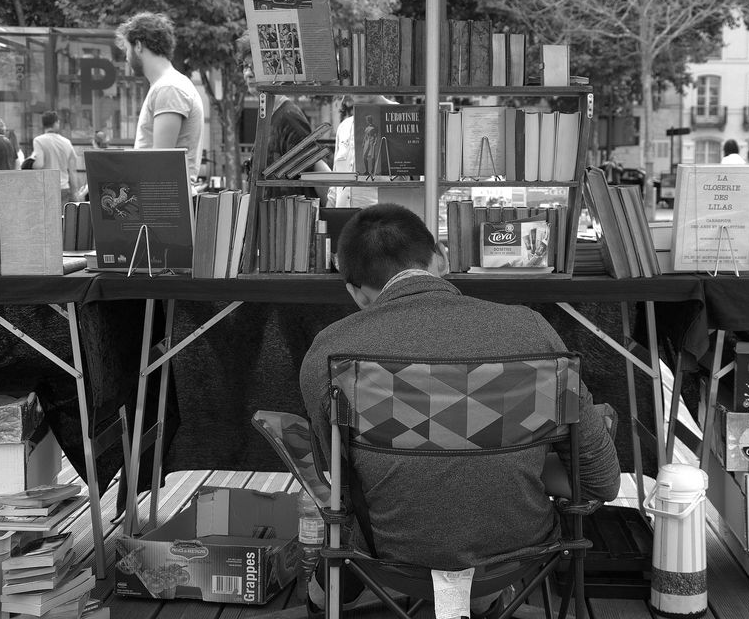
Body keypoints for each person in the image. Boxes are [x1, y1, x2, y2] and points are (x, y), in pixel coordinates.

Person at [299, 203, 621, 613]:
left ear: (355, 292)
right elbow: (603, 481)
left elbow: (341, 475)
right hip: (517, 553)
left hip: (387, 557)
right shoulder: (531, 330)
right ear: (442, 259)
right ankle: (483, 598)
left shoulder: (330, 350)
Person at [235, 35, 330, 201]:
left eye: (254, 67)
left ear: (274, 70)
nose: (248, 73)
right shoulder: (266, 114)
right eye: (245, 66)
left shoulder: (289, 117)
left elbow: (318, 173)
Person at [116, 12, 204, 182]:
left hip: (163, 203)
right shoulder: (168, 86)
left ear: (139, 46)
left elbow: (158, 163)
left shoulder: (169, 88)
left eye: (127, 48)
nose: (126, 57)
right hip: (164, 201)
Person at [329, 93, 395, 208]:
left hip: (379, 220)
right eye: (354, 79)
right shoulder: (344, 126)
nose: (359, 85)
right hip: (343, 220)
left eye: (364, 78)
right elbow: (335, 187)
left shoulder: (396, 118)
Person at [30, 110, 83, 208]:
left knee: (48, 219)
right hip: (63, 187)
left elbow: (39, 165)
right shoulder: (67, 142)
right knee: (62, 219)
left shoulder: (38, 141)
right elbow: (72, 171)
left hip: (46, 187)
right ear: (56, 123)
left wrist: (28, 163)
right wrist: (75, 192)